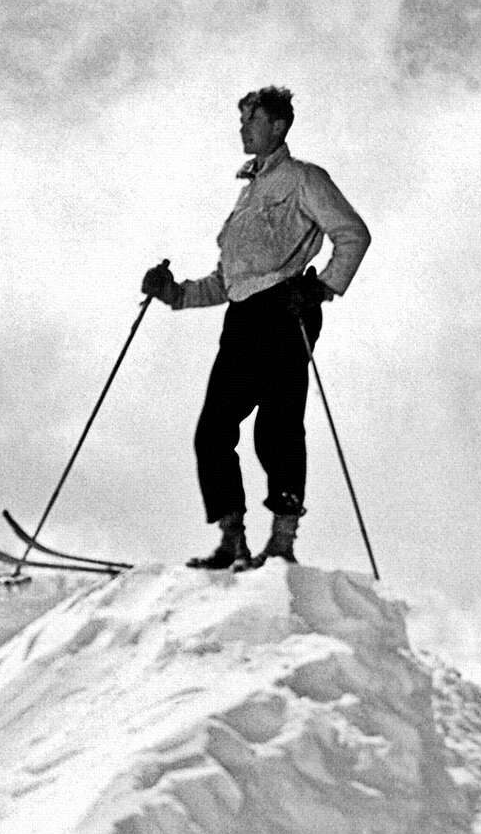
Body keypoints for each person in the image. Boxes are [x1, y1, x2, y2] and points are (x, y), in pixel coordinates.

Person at [141, 87, 370, 569]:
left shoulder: (304, 178)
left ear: (279, 126)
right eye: (243, 119)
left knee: (277, 426)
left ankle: (282, 541)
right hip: (245, 314)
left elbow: (352, 233)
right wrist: (174, 292)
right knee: (214, 429)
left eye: (251, 119)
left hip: (286, 308)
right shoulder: (248, 194)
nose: (243, 128)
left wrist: (322, 287)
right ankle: (233, 539)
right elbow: (229, 281)